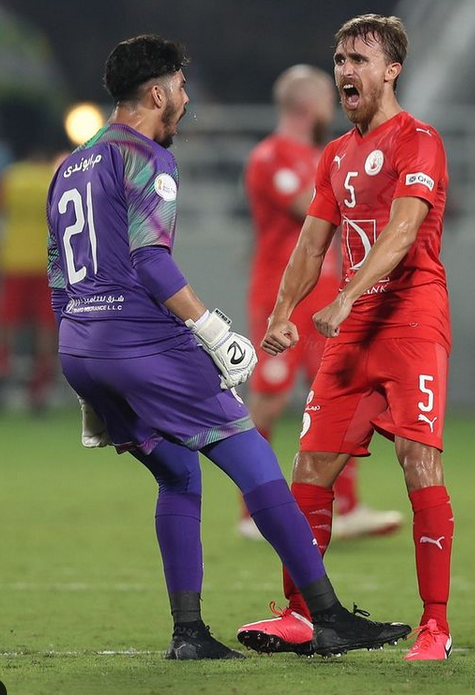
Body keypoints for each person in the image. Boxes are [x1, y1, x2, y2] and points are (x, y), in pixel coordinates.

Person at [46, 35, 411, 661]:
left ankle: (188, 634)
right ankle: (326, 617)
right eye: (182, 88)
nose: (186, 100)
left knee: (179, 473)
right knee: (254, 458)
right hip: (141, 343)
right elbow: (152, 263)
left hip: (81, 346)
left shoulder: (69, 166)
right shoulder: (145, 158)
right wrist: (214, 332)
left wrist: (84, 353)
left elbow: (60, 273)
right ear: (157, 93)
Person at [238, 14, 454, 661]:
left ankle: (434, 626)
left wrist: (347, 293)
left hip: (411, 319)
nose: (345, 71)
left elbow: (404, 229)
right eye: (338, 60)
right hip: (351, 328)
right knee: (309, 466)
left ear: (391, 70)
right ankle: (302, 615)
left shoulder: (419, 140)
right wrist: (283, 311)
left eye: (358, 59)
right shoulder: (335, 154)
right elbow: (310, 242)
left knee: (418, 462)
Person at [241, 63, 403, 540]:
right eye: (330, 97)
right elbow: (311, 209)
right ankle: (254, 512)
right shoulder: (271, 156)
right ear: (309, 104)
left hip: (329, 298)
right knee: (268, 401)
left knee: (341, 399)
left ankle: (346, 506)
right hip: (281, 297)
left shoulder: (323, 155)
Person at [0, 151, 59, 410]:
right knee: (45, 323)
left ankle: (4, 368)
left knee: (8, 320)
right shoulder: (52, 179)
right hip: (45, 261)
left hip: (14, 260)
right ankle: (41, 381)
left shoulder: (11, 179)